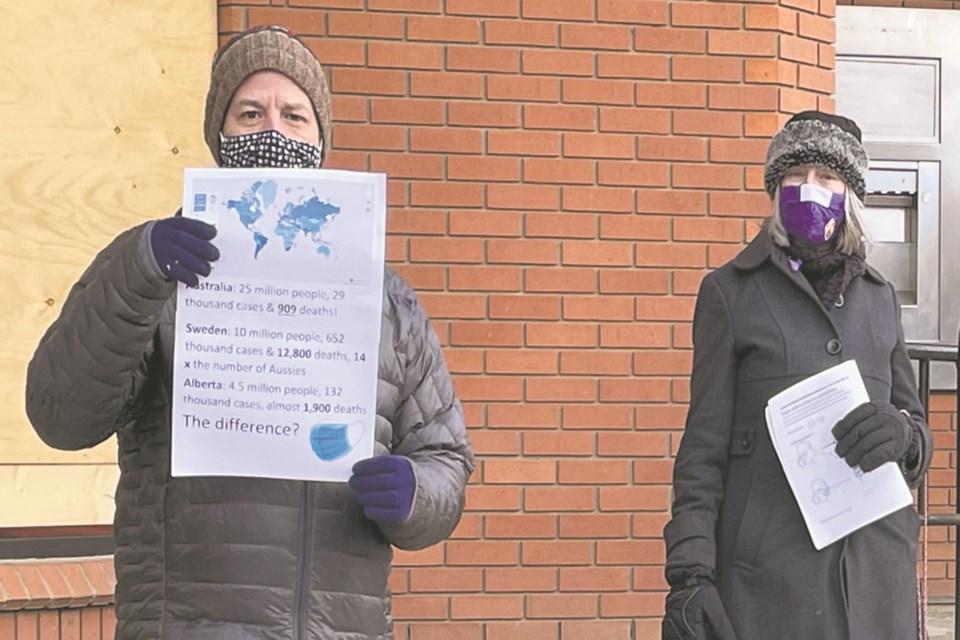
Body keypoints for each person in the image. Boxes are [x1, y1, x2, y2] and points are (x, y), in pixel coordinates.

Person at [25, 26, 474, 640]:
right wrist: (139, 266)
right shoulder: (154, 273)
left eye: (295, 116)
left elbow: (444, 458)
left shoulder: (387, 302)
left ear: (320, 141)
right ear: (220, 135)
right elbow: (60, 414)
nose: (274, 132)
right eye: (250, 112)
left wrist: (416, 493)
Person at [660, 111, 933, 640]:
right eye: (795, 174)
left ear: (851, 193)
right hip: (771, 585)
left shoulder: (880, 300)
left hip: (877, 579)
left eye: (826, 177)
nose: (809, 188)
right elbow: (701, 452)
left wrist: (903, 435)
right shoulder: (730, 293)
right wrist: (690, 574)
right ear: (775, 188)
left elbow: (916, 429)